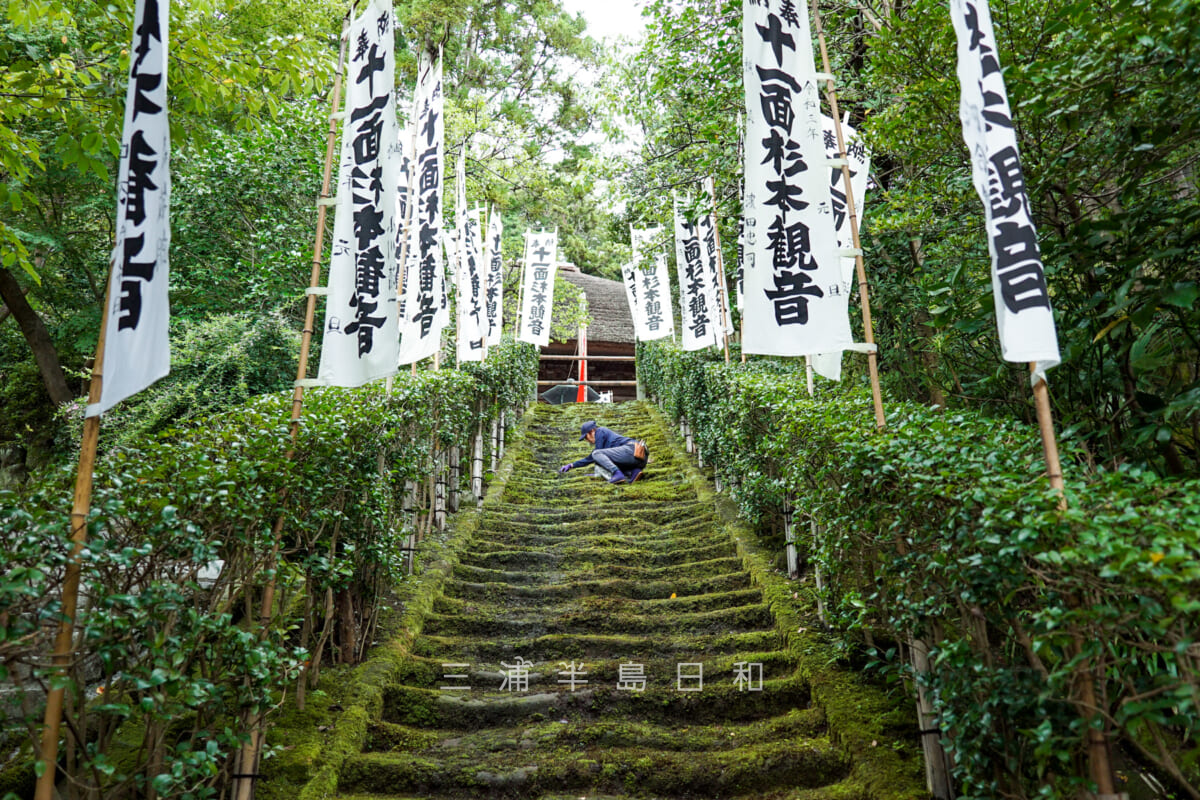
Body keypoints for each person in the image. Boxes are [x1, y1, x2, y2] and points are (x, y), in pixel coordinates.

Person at [558, 420, 647, 484]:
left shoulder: (600, 431)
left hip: (633, 450)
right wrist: (572, 465)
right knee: (604, 459)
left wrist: (572, 465)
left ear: (591, 431)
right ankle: (634, 472)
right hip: (640, 458)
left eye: (586, 437)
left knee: (596, 454)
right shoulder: (605, 439)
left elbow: (594, 455)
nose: (587, 440)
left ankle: (617, 473)